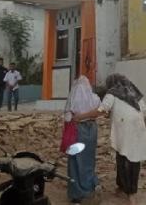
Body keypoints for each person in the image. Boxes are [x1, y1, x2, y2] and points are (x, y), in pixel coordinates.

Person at [75, 74, 146, 205]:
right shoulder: (134, 92)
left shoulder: (112, 94)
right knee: (123, 156)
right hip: (138, 129)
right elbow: (143, 108)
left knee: (130, 161)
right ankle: (121, 186)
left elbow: (100, 111)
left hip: (125, 129)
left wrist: (80, 116)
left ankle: (131, 193)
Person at [64, 76, 100, 204]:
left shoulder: (72, 99)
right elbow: (99, 112)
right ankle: (90, 186)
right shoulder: (95, 98)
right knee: (89, 160)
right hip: (92, 129)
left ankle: (77, 194)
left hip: (77, 130)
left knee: (75, 161)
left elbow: (67, 118)